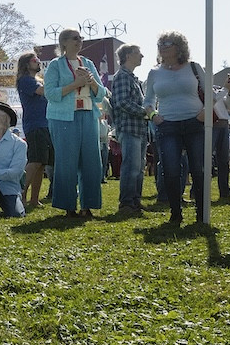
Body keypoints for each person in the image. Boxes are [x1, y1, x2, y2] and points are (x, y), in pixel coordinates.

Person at [143, 30, 207, 226]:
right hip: (167, 125)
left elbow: (211, 93)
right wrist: (154, 116)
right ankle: (175, 213)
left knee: (198, 169)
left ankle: (201, 213)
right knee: (170, 170)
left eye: (167, 43)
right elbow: (148, 101)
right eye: (160, 44)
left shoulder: (194, 67)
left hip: (195, 122)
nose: (162, 47)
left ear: (179, 47)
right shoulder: (154, 73)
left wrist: (205, 112)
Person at [44, 28, 106, 218]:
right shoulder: (55, 65)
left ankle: (88, 206)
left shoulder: (88, 63)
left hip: (88, 115)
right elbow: (50, 93)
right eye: (75, 38)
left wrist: (91, 82)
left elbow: (101, 94)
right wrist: (75, 84)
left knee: (92, 162)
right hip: (63, 118)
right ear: (64, 42)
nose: (79, 41)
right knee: (66, 162)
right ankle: (68, 206)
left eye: (81, 38)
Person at [109, 44, 149, 216]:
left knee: (138, 168)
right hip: (129, 128)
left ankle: (135, 201)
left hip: (138, 128)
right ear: (127, 56)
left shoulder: (132, 78)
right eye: (138, 53)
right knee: (131, 167)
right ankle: (126, 203)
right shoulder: (122, 77)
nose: (142, 56)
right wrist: (144, 112)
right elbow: (121, 102)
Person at [16, 52, 51, 207]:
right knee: (35, 161)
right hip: (35, 125)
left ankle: (34, 199)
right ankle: (21, 194)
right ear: (26, 64)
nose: (38, 62)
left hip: (44, 124)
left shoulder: (36, 81)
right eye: (34, 60)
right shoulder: (25, 80)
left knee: (42, 163)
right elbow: (42, 91)